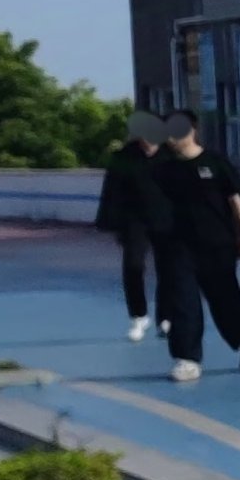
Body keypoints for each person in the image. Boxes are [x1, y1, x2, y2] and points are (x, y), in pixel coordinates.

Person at [147, 110, 240, 382]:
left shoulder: (215, 163)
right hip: (178, 247)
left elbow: (236, 202)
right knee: (183, 302)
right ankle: (187, 359)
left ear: (192, 130)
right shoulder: (163, 169)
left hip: (218, 245)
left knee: (226, 302)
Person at [95, 110, 167, 342]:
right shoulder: (124, 157)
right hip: (134, 220)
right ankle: (138, 316)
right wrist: (112, 223)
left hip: (166, 219)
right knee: (133, 266)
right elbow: (111, 191)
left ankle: (165, 317)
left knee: (168, 269)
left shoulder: (170, 156)